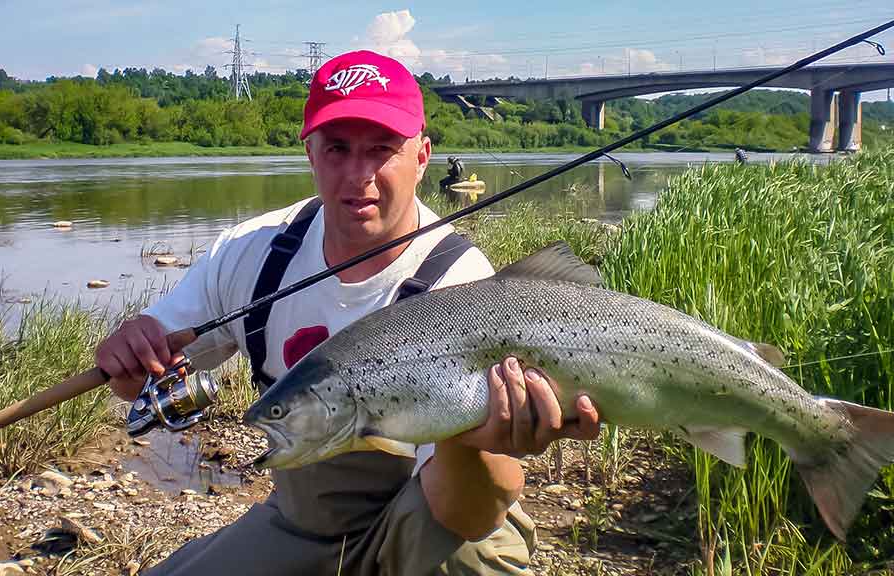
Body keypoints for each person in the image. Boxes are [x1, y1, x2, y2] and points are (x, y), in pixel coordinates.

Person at [96, 50, 600, 576]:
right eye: (337, 149)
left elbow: (464, 516)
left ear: (422, 157)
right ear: (310, 152)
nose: (358, 176)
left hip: (435, 516)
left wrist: (471, 446)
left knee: (471, 555)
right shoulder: (254, 251)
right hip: (302, 524)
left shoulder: (461, 282)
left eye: (381, 150)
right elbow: (136, 386)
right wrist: (130, 352)